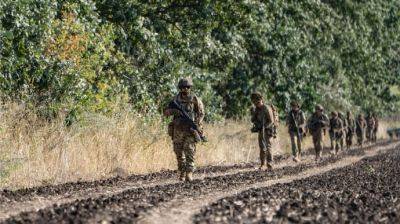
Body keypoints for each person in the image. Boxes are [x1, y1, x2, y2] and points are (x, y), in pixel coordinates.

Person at [164, 78, 204, 181]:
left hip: (190, 130)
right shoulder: (175, 100)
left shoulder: (194, 99)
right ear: (179, 88)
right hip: (177, 130)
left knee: (190, 152)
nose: (184, 89)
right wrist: (173, 111)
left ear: (190, 88)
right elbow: (165, 112)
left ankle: (189, 173)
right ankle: (182, 171)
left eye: (187, 87)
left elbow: (201, 113)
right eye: (182, 87)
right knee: (178, 153)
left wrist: (197, 125)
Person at [250, 92, 275, 170]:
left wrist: (265, 127)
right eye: (254, 102)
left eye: (256, 102)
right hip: (261, 130)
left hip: (269, 130)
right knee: (262, 148)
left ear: (260, 100)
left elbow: (272, 121)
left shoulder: (266, 108)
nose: (256, 104)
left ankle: (270, 164)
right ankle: (262, 164)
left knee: (268, 147)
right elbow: (253, 120)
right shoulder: (257, 109)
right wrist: (253, 114)